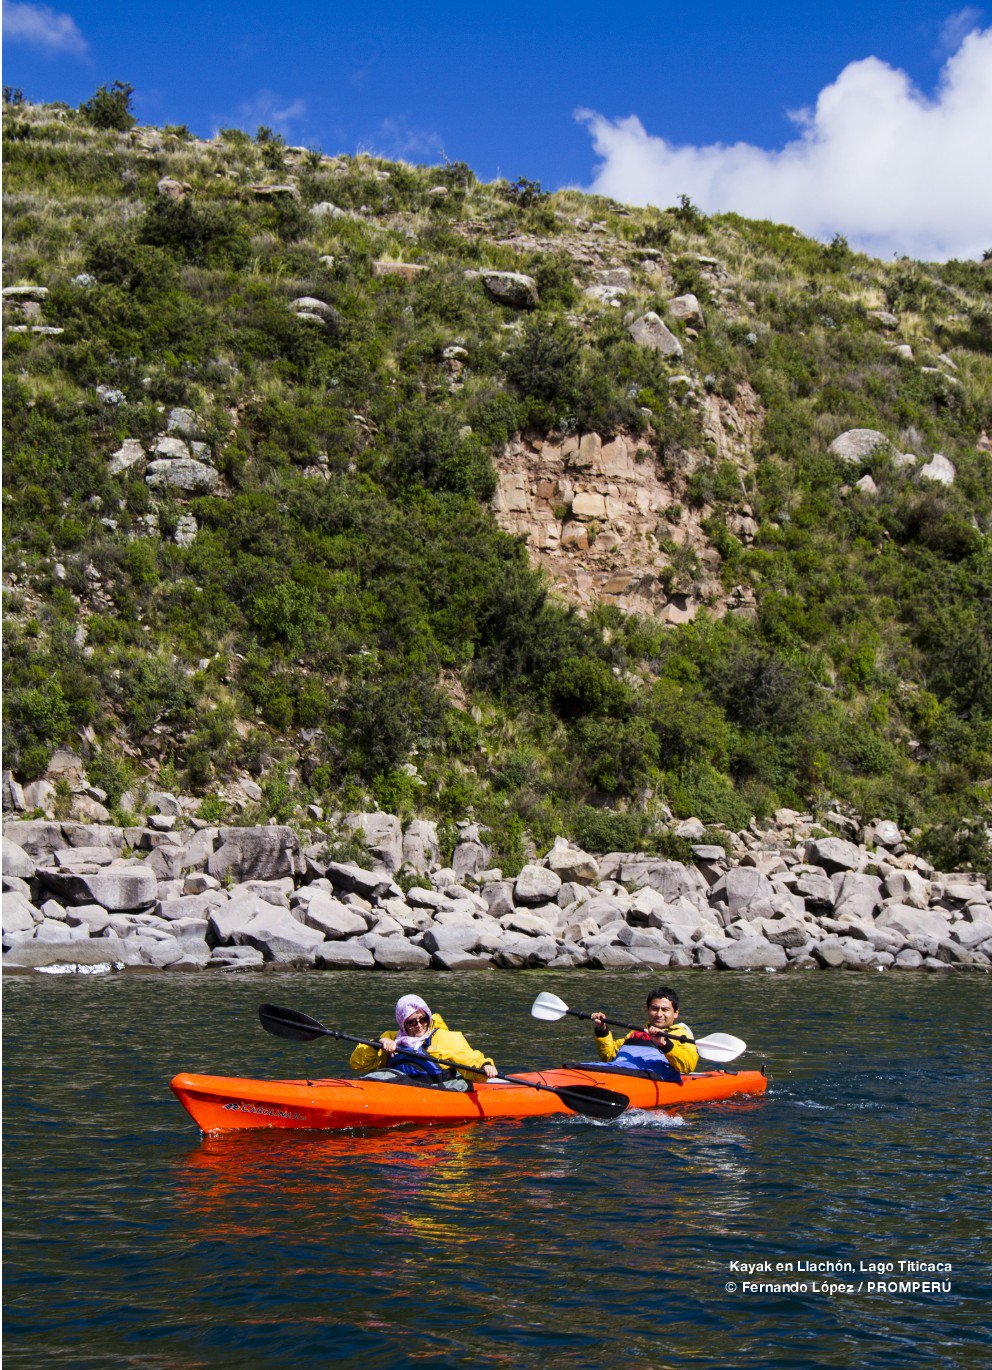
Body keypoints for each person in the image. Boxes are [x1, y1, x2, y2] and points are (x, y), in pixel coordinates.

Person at [349, 994, 499, 1090]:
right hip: (398, 1090)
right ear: (402, 1023)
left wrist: (484, 1065)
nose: (419, 1025)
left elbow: (469, 1058)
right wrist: (377, 1043)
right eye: (412, 1022)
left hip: (436, 1091)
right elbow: (358, 1064)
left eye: (423, 1019)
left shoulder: (445, 1038)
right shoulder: (390, 1037)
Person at [590, 986, 699, 1080]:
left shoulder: (681, 1036)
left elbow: (688, 1066)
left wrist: (664, 1044)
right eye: (654, 1009)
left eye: (665, 1009)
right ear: (647, 1009)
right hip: (619, 1071)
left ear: (675, 1013)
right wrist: (601, 1029)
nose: (659, 1014)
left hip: (649, 1078)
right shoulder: (637, 1033)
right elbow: (608, 1057)